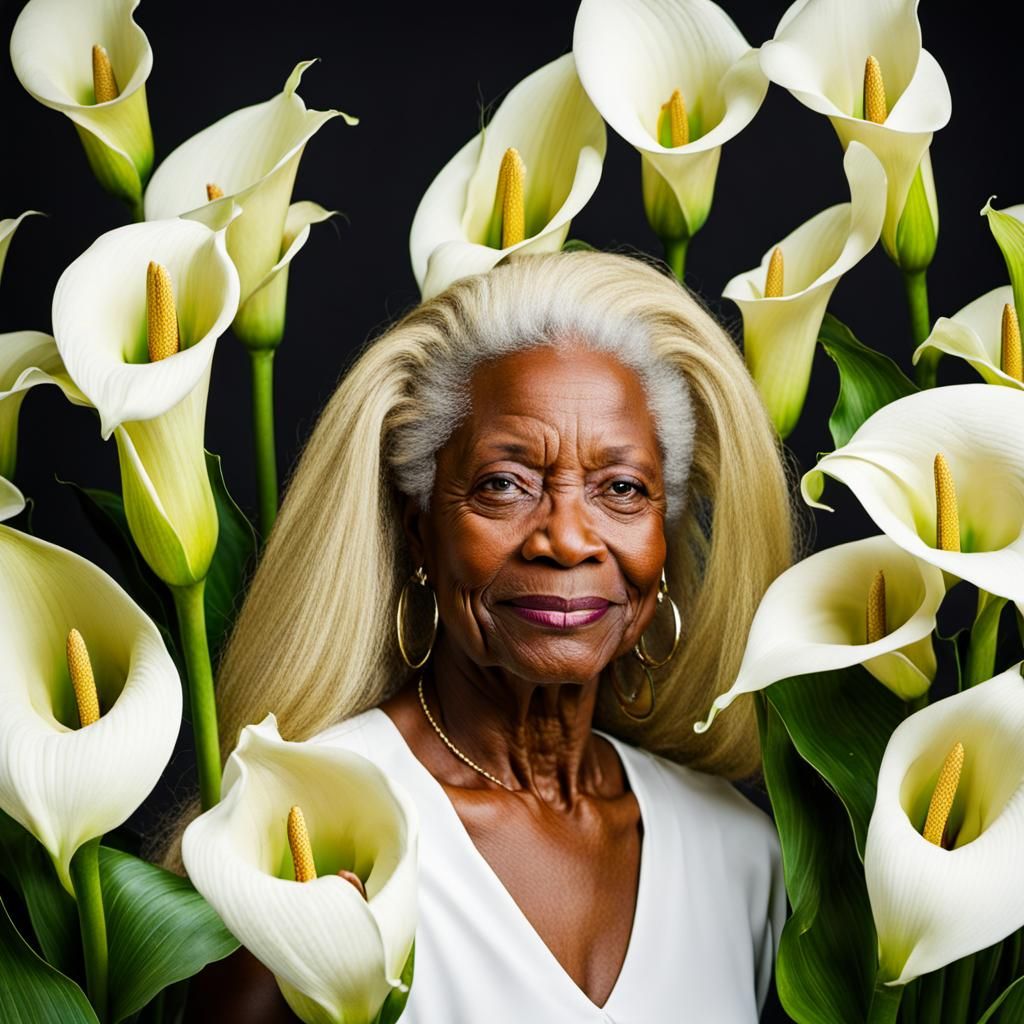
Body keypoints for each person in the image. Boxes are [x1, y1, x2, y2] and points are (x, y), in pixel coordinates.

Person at [157, 248, 804, 1022]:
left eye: (622, 488)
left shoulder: (739, 855)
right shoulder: (297, 834)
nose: (568, 538)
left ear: (662, 544)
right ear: (421, 533)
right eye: (505, 483)